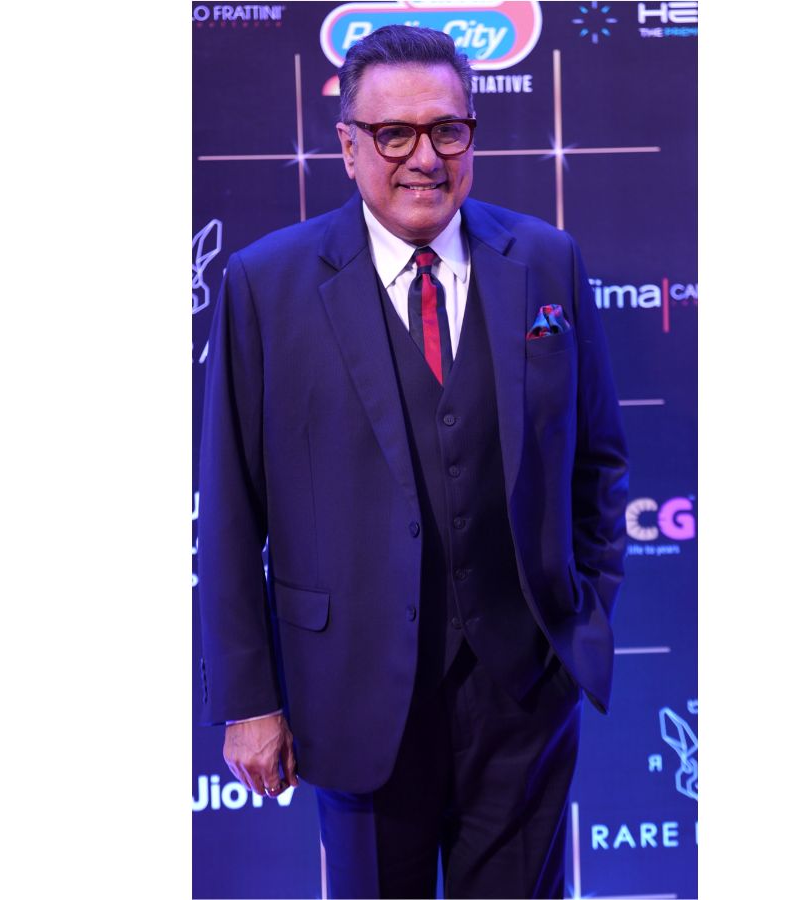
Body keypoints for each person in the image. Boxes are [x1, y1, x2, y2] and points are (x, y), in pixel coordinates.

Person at [198, 24, 629, 899]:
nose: (424, 157)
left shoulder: (547, 261)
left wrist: (579, 617)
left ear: (473, 134)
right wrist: (249, 701)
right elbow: (232, 511)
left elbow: (597, 460)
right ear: (348, 147)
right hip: (350, 698)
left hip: (524, 697)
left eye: (446, 130)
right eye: (394, 133)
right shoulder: (266, 284)